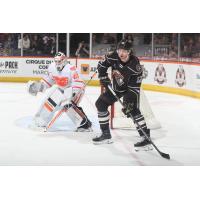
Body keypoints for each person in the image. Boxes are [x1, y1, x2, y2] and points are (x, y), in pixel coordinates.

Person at [93, 39, 152, 151]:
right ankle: (106, 135)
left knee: (133, 110)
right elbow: (102, 64)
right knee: (100, 104)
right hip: (116, 88)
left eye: (125, 51)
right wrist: (103, 76)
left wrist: (128, 103)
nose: (121, 53)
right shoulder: (113, 56)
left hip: (130, 88)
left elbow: (135, 88)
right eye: (120, 50)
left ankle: (146, 138)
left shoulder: (135, 66)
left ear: (130, 51)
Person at [27, 52, 92, 132]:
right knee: (50, 102)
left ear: (64, 61)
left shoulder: (71, 69)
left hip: (75, 90)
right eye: (56, 61)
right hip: (61, 89)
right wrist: (38, 86)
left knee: (68, 106)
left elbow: (79, 82)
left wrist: (71, 95)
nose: (57, 63)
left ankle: (84, 125)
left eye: (59, 61)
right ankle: (40, 122)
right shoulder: (52, 68)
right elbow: (48, 81)